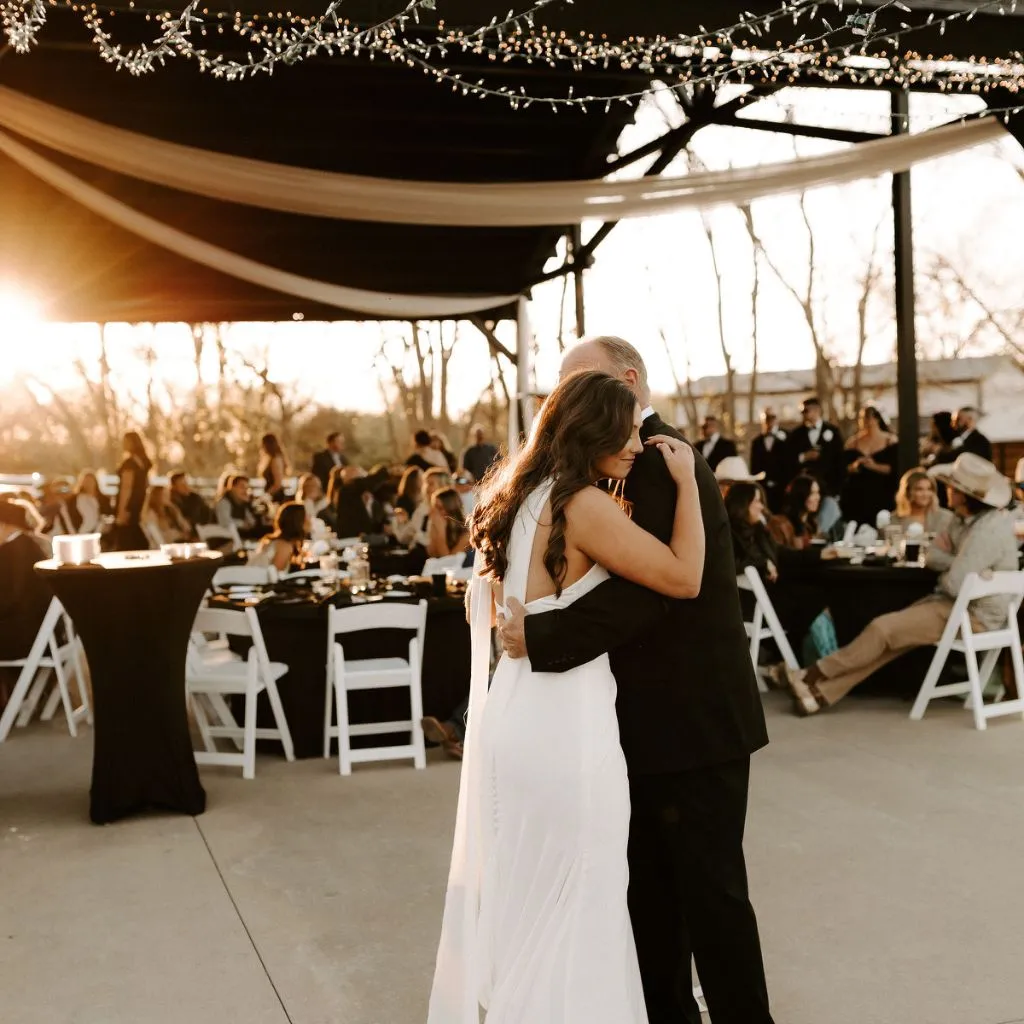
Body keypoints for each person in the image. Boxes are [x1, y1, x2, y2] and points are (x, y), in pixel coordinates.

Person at [492, 338, 773, 1024]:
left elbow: (655, 589)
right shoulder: (587, 473)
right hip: (633, 724)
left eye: (578, 385)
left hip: (693, 721)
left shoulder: (661, 458)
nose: (567, 405)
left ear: (626, 380)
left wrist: (540, 634)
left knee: (710, 897)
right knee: (650, 896)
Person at [429, 367, 709, 1024]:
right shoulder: (582, 506)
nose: (639, 446)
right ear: (593, 431)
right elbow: (686, 577)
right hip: (568, 724)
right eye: (627, 432)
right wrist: (690, 484)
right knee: (584, 897)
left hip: (516, 714)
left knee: (529, 899)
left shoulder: (523, 500)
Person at [787, 453, 1018, 715]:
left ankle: (810, 675)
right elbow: (932, 555)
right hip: (955, 605)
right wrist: (958, 562)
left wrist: (954, 567)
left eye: (952, 486)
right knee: (891, 640)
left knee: (882, 629)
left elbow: (954, 583)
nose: (946, 490)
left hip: (973, 615)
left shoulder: (986, 531)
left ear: (964, 494)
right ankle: (819, 695)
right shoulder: (961, 519)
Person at [726, 482, 832, 660]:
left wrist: (820, 555)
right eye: (757, 502)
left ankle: (820, 660)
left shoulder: (759, 530)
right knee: (813, 599)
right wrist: (762, 562)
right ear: (743, 504)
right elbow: (728, 565)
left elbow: (782, 553)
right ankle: (818, 663)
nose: (761, 506)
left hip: (767, 598)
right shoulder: (729, 533)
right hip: (749, 606)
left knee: (817, 594)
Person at [0, 501, 54, 672]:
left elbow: (7, 600)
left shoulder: (9, 553)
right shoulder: (29, 546)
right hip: (43, 636)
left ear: (3, 524)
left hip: (23, 639)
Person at [785, 396, 844, 531]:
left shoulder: (832, 431)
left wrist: (837, 490)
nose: (804, 415)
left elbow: (839, 462)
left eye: (807, 411)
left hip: (828, 486)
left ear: (817, 410)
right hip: (804, 489)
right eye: (803, 412)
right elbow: (787, 461)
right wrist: (803, 457)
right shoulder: (795, 434)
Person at [839, 405, 899, 528]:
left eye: (867, 417)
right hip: (858, 494)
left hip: (882, 492)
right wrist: (855, 466)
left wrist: (874, 466)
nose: (864, 421)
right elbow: (842, 468)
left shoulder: (890, 440)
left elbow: (895, 469)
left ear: (877, 419)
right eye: (861, 418)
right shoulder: (852, 442)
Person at [111, 431, 152, 551]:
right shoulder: (143, 463)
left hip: (128, 507)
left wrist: (122, 509)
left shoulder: (129, 464)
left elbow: (126, 487)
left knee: (125, 539)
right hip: (136, 505)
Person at [247, 501, 308, 572]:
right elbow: (274, 576)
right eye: (306, 517)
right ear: (299, 522)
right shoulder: (284, 546)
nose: (310, 520)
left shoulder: (279, 542)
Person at [769, 474, 824, 550]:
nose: (817, 497)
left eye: (818, 492)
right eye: (812, 493)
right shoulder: (779, 523)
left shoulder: (811, 525)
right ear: (800, 495)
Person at [749, 409, 788, 513]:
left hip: (782, 486)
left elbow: (789, 463)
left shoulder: (787, 437)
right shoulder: (756, 442)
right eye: (766, 418)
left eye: (772, 417)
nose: (769, 421)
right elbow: (754, 466)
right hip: (763, 486)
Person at [893, 468, 954, 534]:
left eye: (929, 489)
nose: (925, 494)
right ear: (907, 492)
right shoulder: (893, 520)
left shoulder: (946, 517)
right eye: (919, 489)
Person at [426, 487, 471, 559]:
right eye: (434, 507)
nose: (435, 512)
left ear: (451, 509)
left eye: (439, 508)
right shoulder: (437, 525)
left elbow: (448, 561)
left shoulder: (466, 532)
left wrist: (441, 532)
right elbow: (432, 554)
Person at [216, 474, 263, 541]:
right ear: (232, 487)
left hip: (238, 536)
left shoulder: (243, 503)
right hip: (222, 538)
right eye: (242, 487)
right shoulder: (224, 502)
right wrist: (242, 524)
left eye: (247, 488)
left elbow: (252, 522)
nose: (245, 491)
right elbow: (225, 522)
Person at [258, 433, 289, 502]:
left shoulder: (276, 460)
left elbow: (277, 484)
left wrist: (266, 495)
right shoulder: (272, 459)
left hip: (275, 497)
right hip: (271, 495)